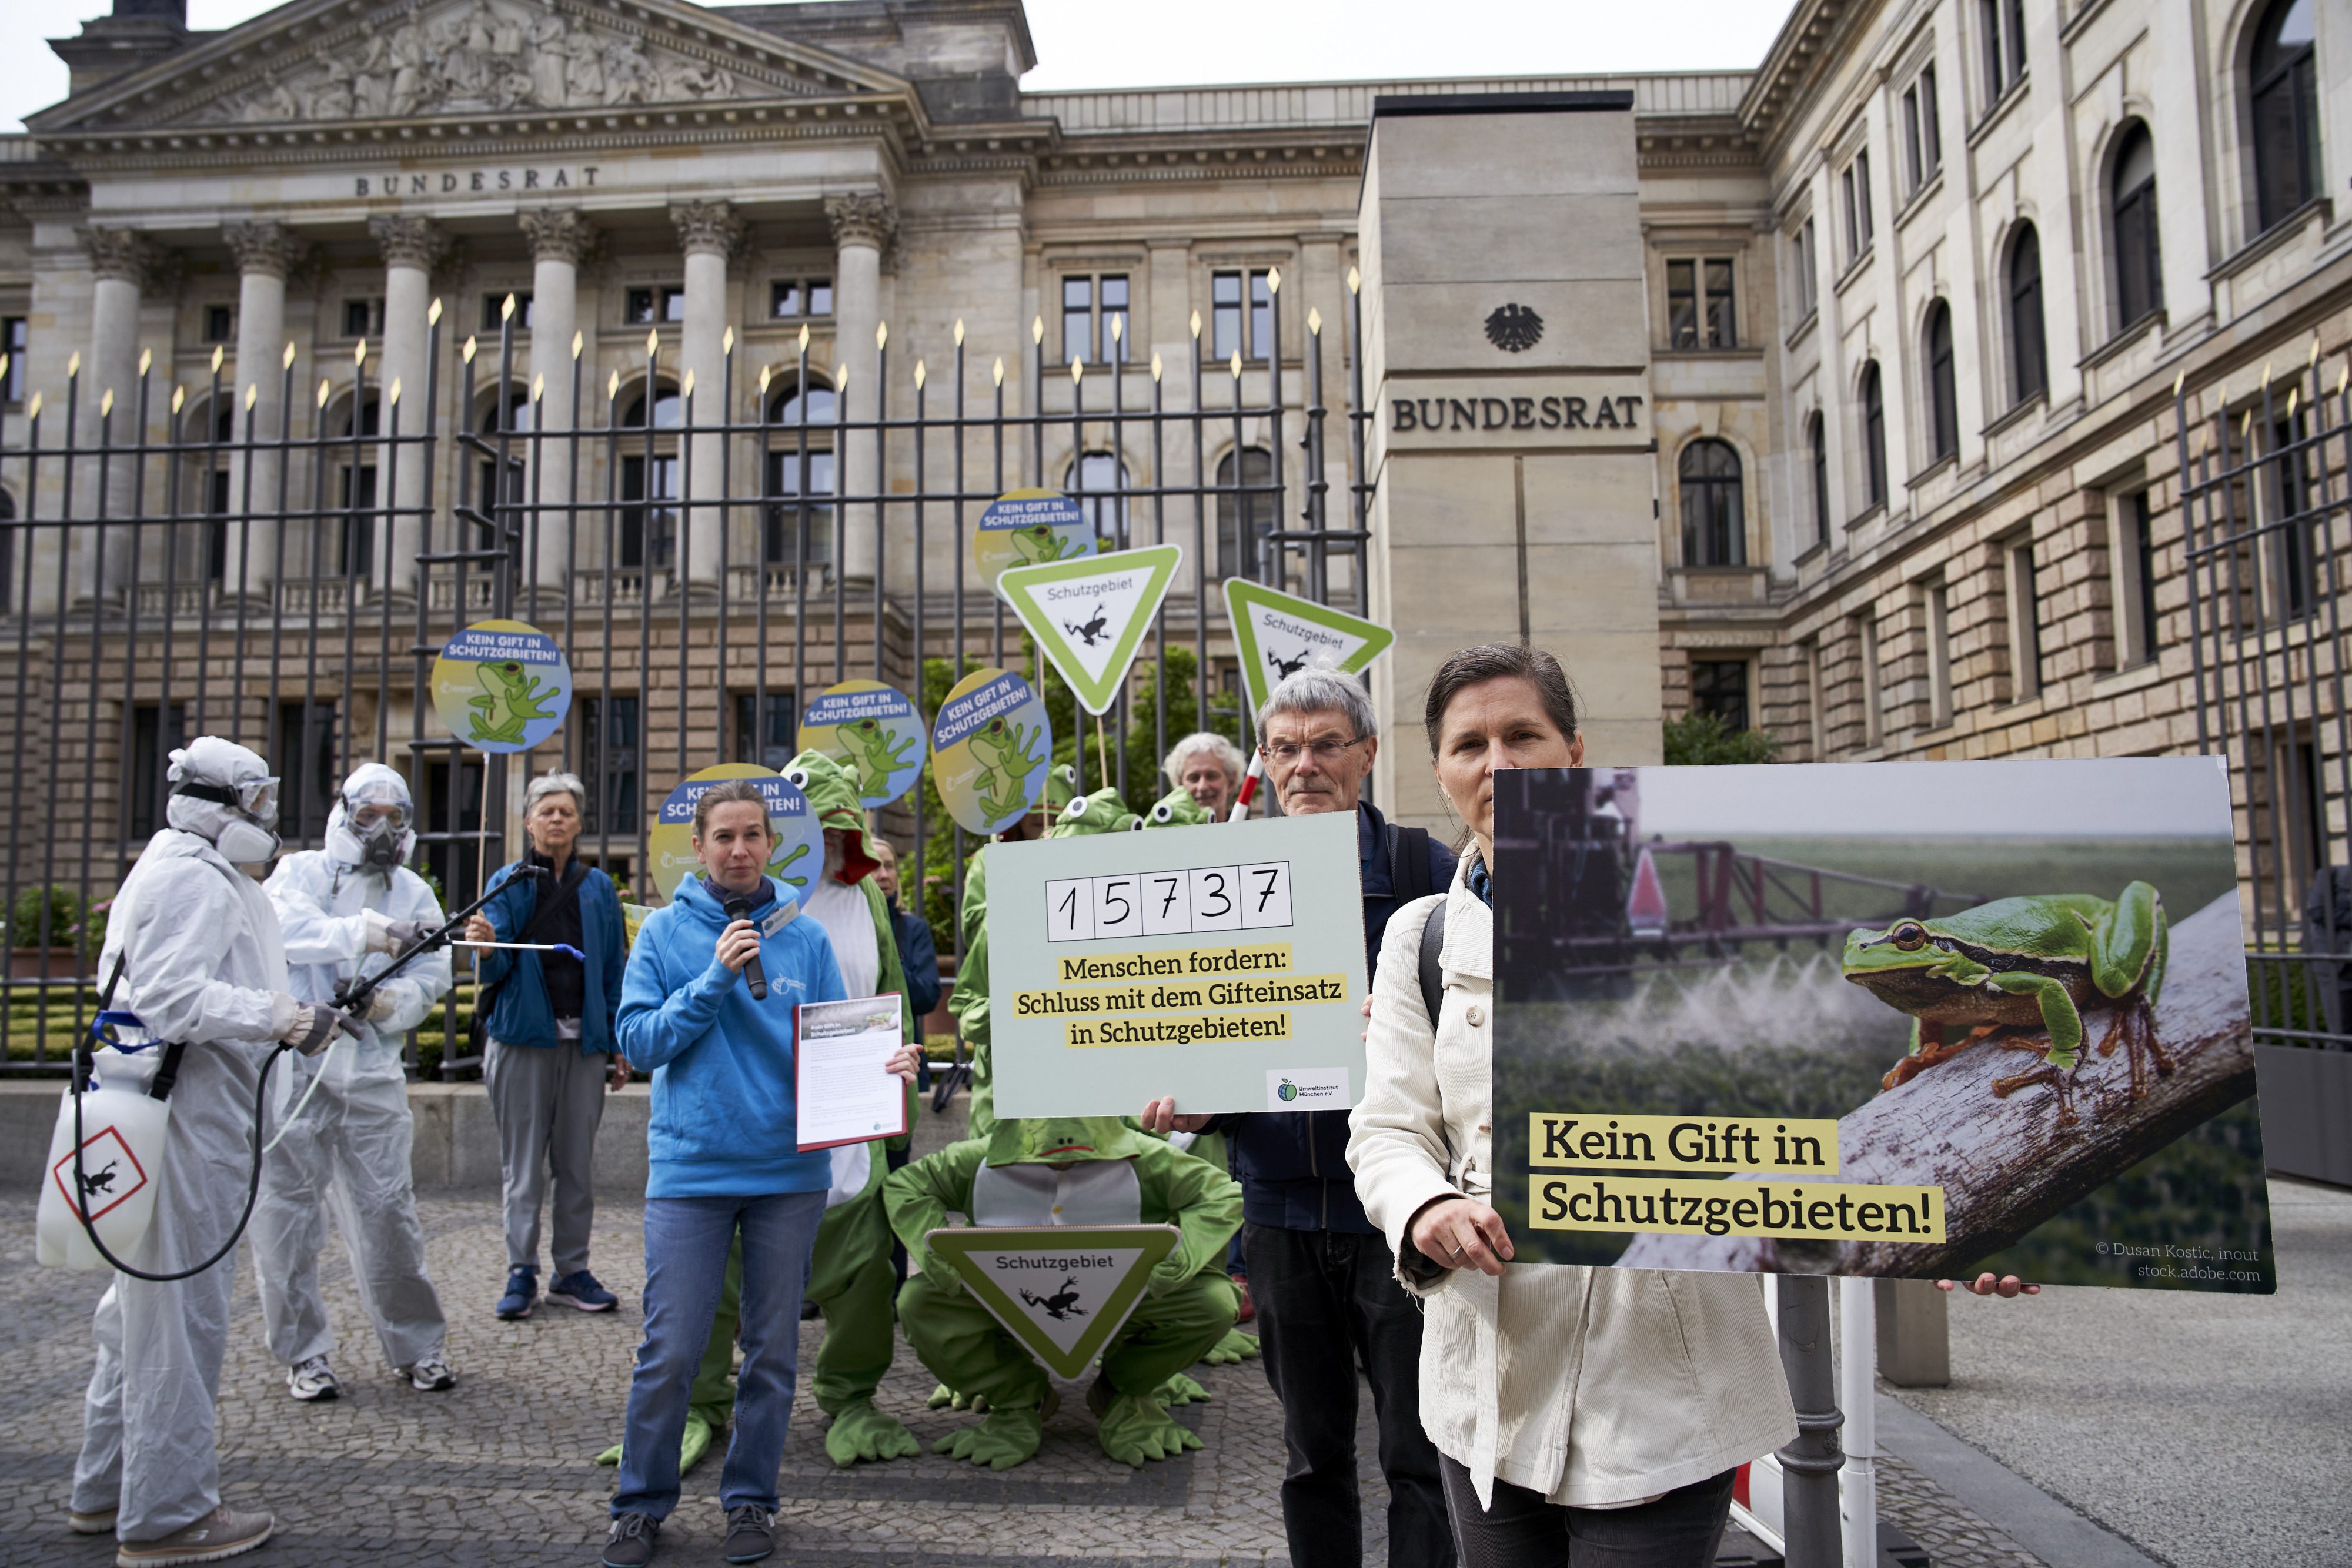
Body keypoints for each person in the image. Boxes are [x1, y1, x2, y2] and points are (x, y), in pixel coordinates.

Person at [1139, 668, 1458, 1568]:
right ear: (1266, 763)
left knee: (1420, 1450)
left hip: (1400, 1210)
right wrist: (1192, 1101)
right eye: (1285, 747)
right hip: (1278, 1209)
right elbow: (1210, 1026)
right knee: (1312, 1453)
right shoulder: (1224, 876)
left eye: (1325, 744)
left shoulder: (1421, 869)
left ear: (1364, 753)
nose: (1304, 764)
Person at [605, 778, 919, 1567]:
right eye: (724, 836)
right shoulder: (666, 933)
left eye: (753, 835)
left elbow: (837, 1043)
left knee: (773, 1350)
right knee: (671, 1346)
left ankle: (752, 1500)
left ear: (773, 846)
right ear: (698, 846)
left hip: (789, 1172)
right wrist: (714, 977)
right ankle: (640, 1504)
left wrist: (889, 1062)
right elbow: (639, 1042)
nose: (739, 849)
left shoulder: (805, 936)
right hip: (692, 1169)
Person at [69, 737, 349, 1565]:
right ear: (218, 803)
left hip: (154, 1106)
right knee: (178, 1317)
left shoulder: (173, 866)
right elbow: (171, 996)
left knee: (136, 1315)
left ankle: (105, 1486)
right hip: (187, 1116)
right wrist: (284, 1016)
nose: (267, 815)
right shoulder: (194, 876)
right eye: (256, 799)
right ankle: (168, 1513)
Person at [255, 762, 456, 1402]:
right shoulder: (301, 873)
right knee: (287, 1222)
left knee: (388, 1215)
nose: (380, 827)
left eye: (393, 817)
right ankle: (304, 1355)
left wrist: (386, 1002)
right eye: (367, 814)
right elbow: (288, 931)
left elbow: (433, 974)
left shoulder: (413, 892)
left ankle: (417, 1346)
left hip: (369, 1073)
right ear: (343, 813)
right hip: (298, 1071)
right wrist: (368, 933)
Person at [886, 1116, 1242, 1470]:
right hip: (1003, 1295)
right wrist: (934, 1251)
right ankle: (1016, 1397)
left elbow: (1220, 1194)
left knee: (1213, 1302)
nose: (1062, 1161)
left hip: (1123, 1297)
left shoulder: (1146, 1158)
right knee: (920, 1302)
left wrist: (1184, 1256)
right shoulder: (974, 1159)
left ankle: (1123, 1389)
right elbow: (906, 1185)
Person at [465, 771, 628, 1321]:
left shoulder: (599, 887)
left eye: (567, 811)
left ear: (580, 823)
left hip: (582, 1043)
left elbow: (613, 968)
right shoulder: (507, 882)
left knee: (577, 1163)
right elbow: (497, 961)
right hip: (521, 1039)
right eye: (547, 811)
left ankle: (572, 1269)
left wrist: (618, 1042)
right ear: (529, 821)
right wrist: (486, 948)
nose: (557, 819)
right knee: (524, 1165)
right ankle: (521, 1269)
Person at [946, 763, 1078, 1139]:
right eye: (1031, 813)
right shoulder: (991, 859)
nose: (1041, 820)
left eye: (1049, 813)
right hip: (1013, 1046)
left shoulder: (1084, 856)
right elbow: (977, 926)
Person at [869, 837, 942, 1032]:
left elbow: (928, 997)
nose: (883, 875)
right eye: (875, 866)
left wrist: (890, 962)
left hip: (905, 1051)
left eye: (889, 866)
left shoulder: (914, 928)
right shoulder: (847, 925)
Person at [1163, 730, 1246, 821]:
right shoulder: (1164, 833)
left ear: (1231, 781)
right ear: (1180, 784)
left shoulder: (1249, 833)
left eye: (1212, 776)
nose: (1202, 787)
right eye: (1194, 778)